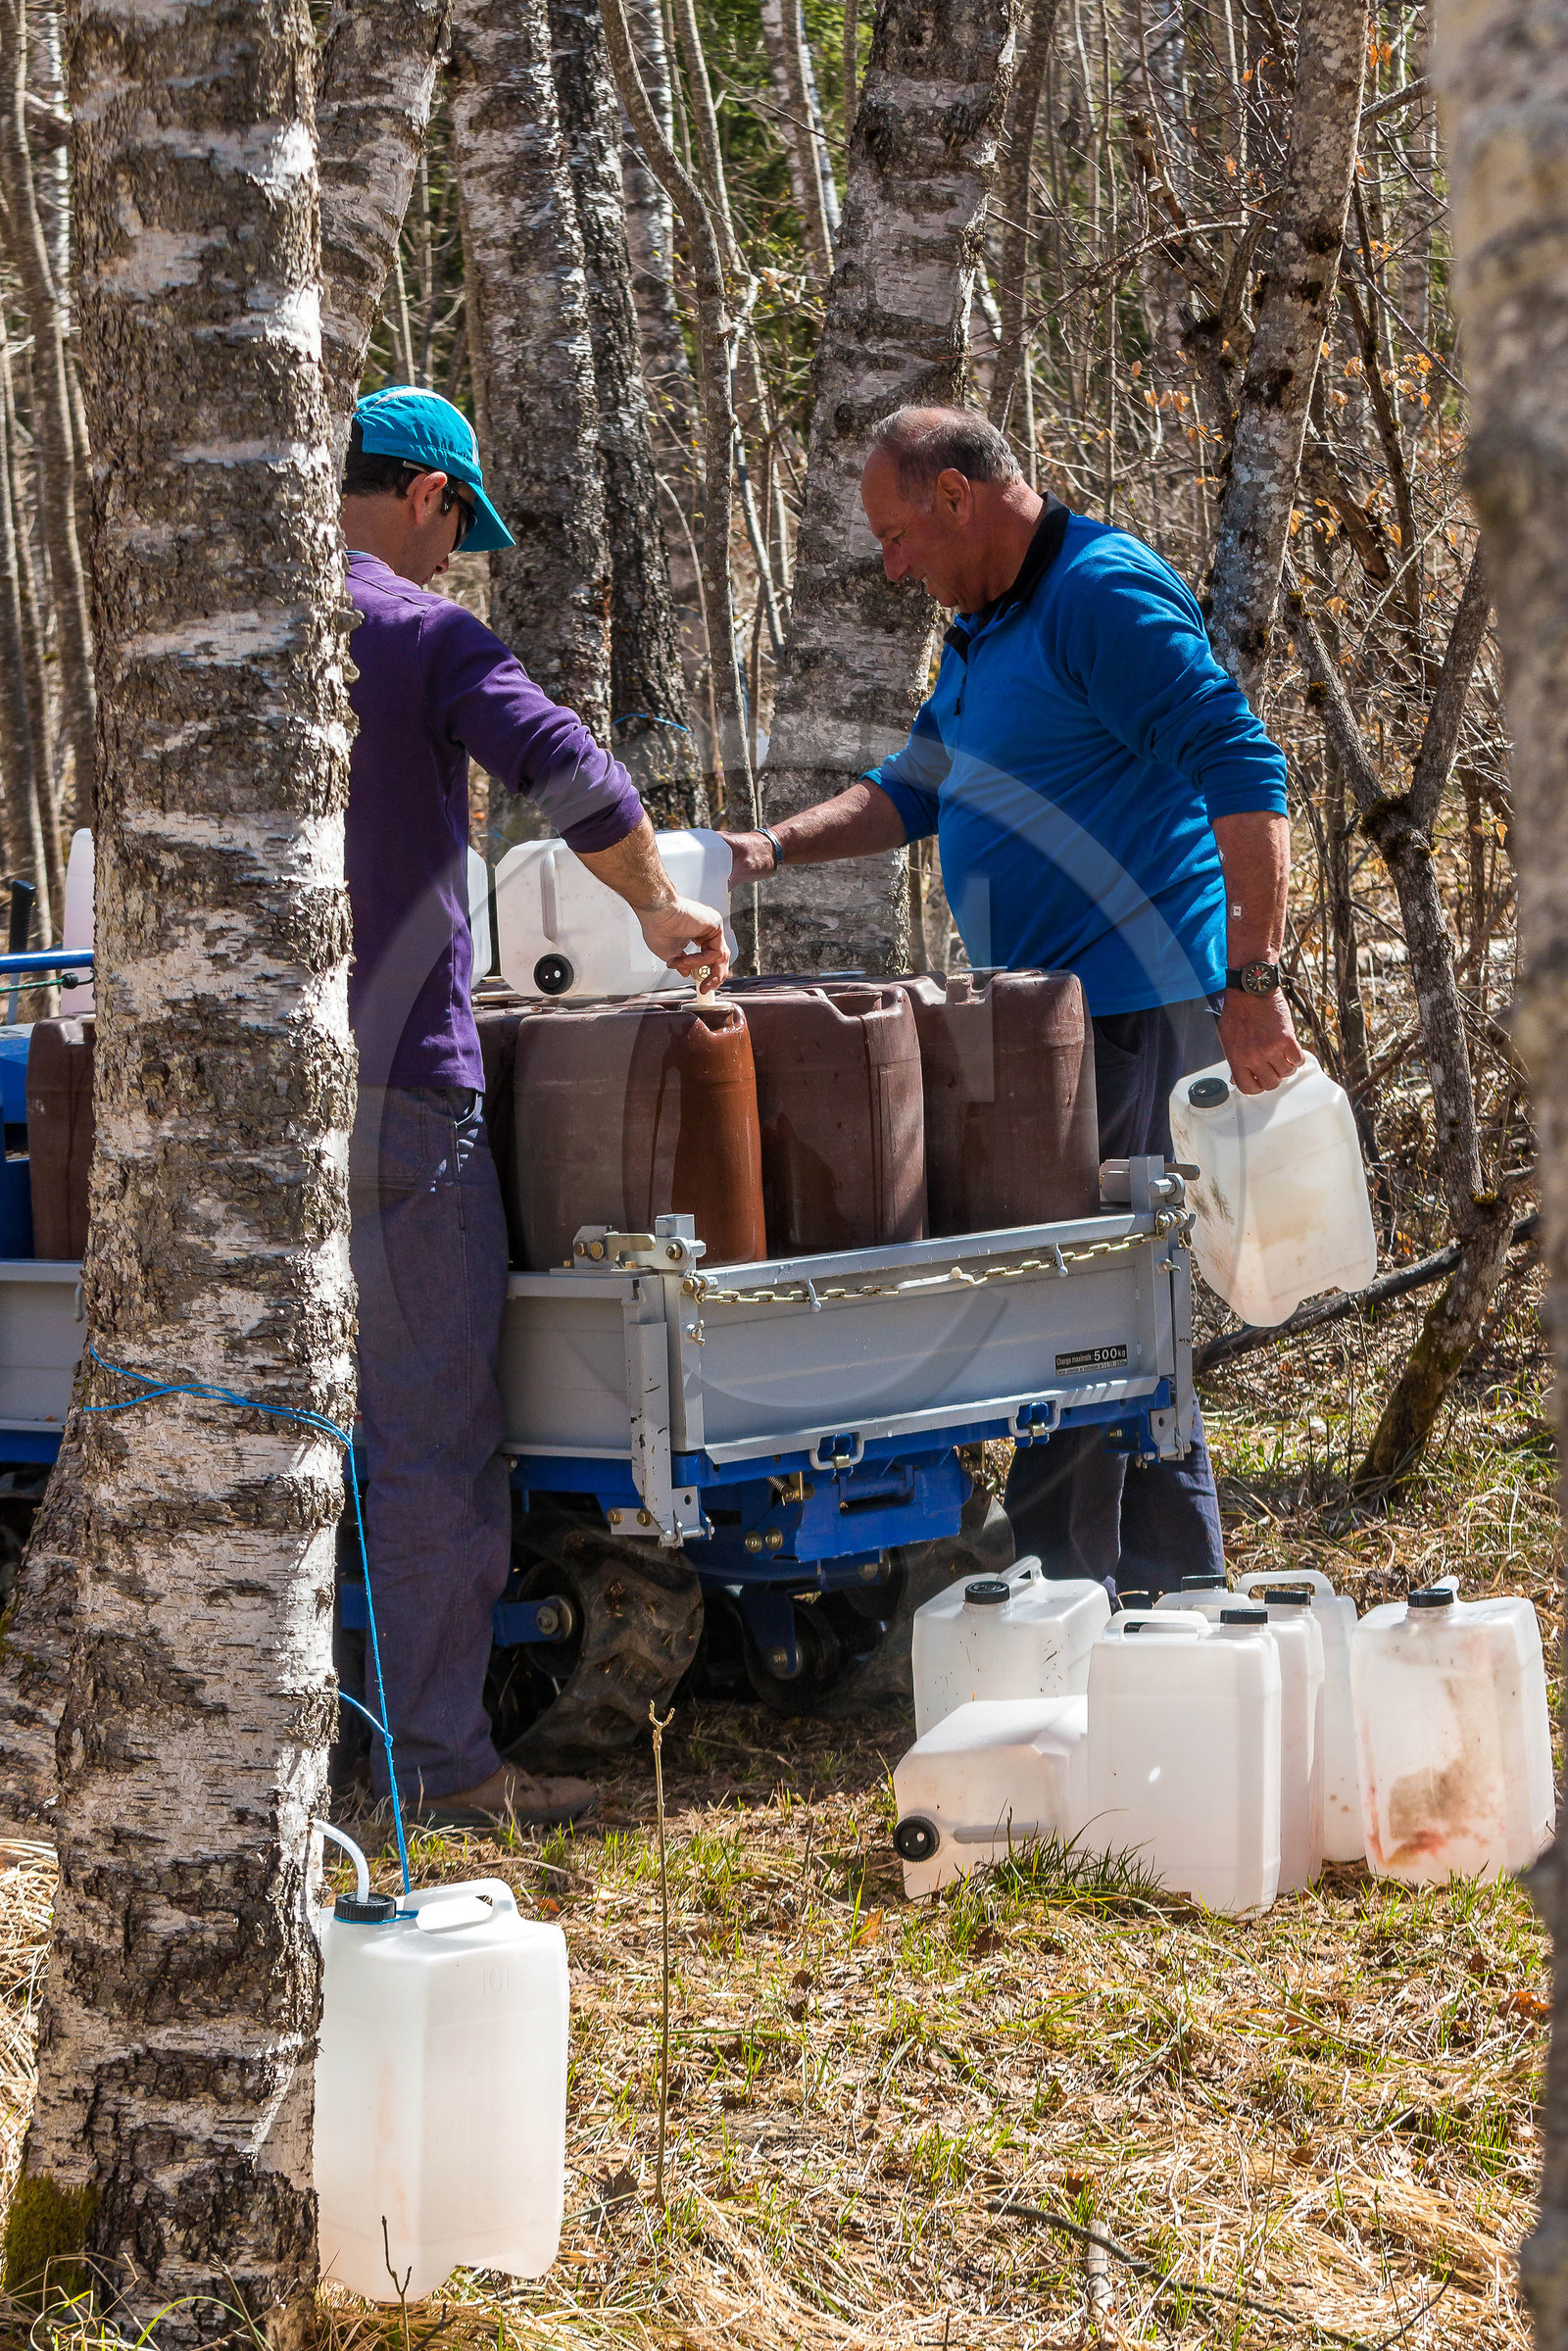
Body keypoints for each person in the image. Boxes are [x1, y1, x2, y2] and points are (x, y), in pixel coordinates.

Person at [724, 405, 1302, 1598]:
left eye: (897, 535)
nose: (892, 566)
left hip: (1136, 1007)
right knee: (1092, 1304)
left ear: (954, 496)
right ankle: (1167, 1585)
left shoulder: (1099, 595)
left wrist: (1251, 981)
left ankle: (1071, 1594)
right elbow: (914, 786)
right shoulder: (980, 629)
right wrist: (764, 850)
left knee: (1088, 1312)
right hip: (1041, 1026)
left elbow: (1243, 765)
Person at [342, 386, 729, 1828]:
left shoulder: (225, 628)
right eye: (457, 531)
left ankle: (290, 1744)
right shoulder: (419, 631)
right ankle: (434, 1770)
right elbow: (572, 772)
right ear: (432, 497)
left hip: (216, 1117)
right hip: (393, 1099)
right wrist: (663, 903)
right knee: (431, 1435)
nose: (452, 561)